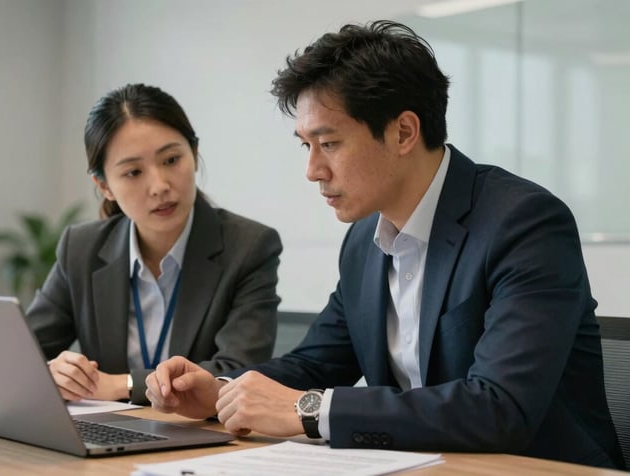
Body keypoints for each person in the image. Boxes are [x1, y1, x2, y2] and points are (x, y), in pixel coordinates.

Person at [145, 21, 625, 469]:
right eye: (305, 146)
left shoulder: (523, 224)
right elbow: (319, 361)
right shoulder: (363, 241)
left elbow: (498, 407)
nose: (312, 170)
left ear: (403, 132)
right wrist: (221, 392)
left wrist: (308, 410)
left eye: (328, 144)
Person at [25, 83, 282, 406]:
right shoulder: (82, 248)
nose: (160, 186)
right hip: (108, 435)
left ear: (194, 154)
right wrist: (53, 372)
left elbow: (236, 372)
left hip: (202, 438)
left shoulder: (249, 246)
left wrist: (123, 384)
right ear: (104, 186)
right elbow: (21, 354)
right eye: (133, 172)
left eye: (172, 160)